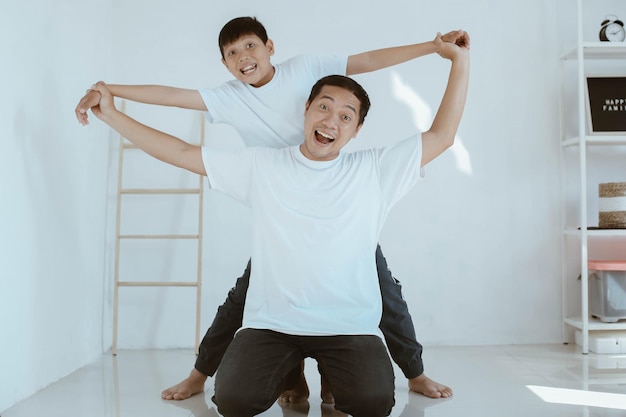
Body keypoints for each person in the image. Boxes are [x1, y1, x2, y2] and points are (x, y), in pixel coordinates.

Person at [76, 16, 469, 402]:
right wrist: (109, 95)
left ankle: (402, 373)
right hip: (279, 219)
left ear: (270, 48)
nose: (244, 56)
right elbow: (176, 114)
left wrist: (437, 49)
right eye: (232, 52)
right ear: (306, 109)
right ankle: (241, 375)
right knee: (243, 303)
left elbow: (368, 63)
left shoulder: (311, 77)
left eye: (250, 45)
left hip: (345, 223)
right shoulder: (236, 109)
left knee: (385, 298)